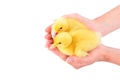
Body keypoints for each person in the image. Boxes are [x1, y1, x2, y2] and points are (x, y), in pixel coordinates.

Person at [45, 5, 120, 69]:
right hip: (87, 37)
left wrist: (105, 54)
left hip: (84, 40)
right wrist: (97, 26)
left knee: (78, 48)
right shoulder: (72, 30)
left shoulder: (70, 44)